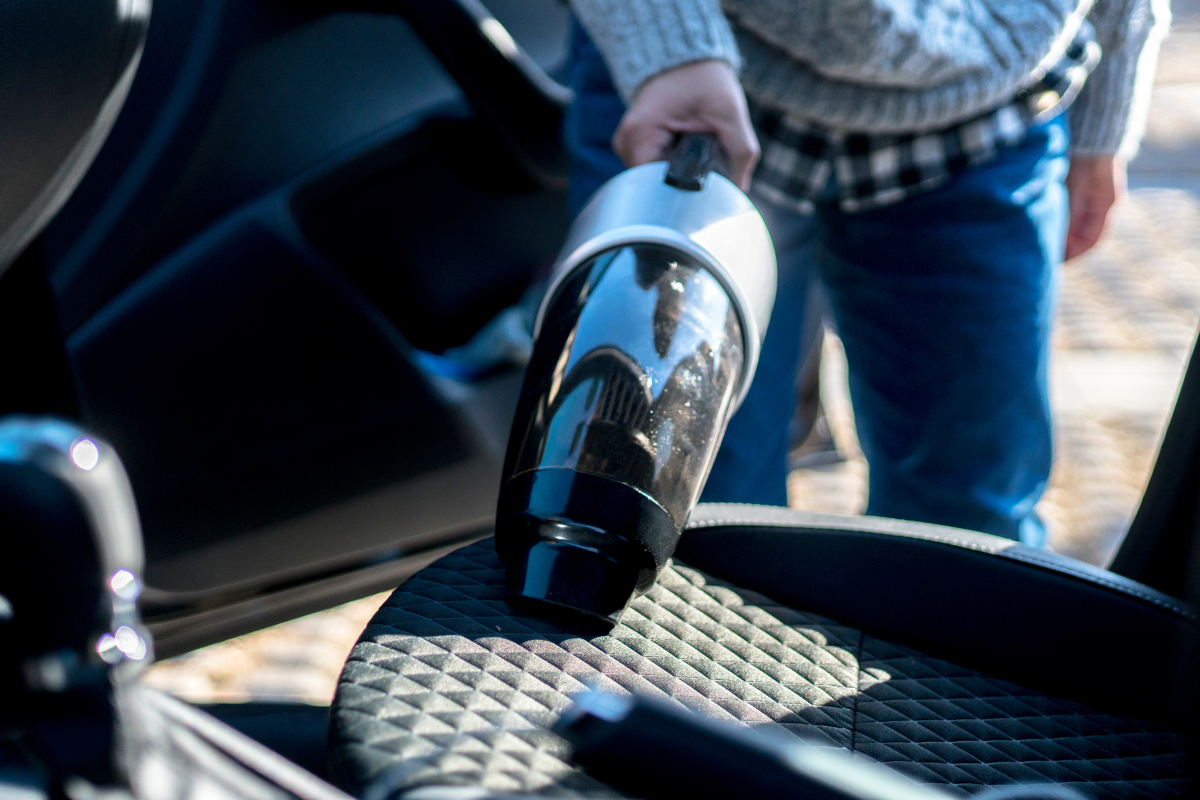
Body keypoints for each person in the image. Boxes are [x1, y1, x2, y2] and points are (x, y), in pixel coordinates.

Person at [561, 0, 1169, 546]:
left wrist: (1112, 86)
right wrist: (665, 39)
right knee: (682, 510)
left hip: (985, 116)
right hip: (696, 87)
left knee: (970, 532)